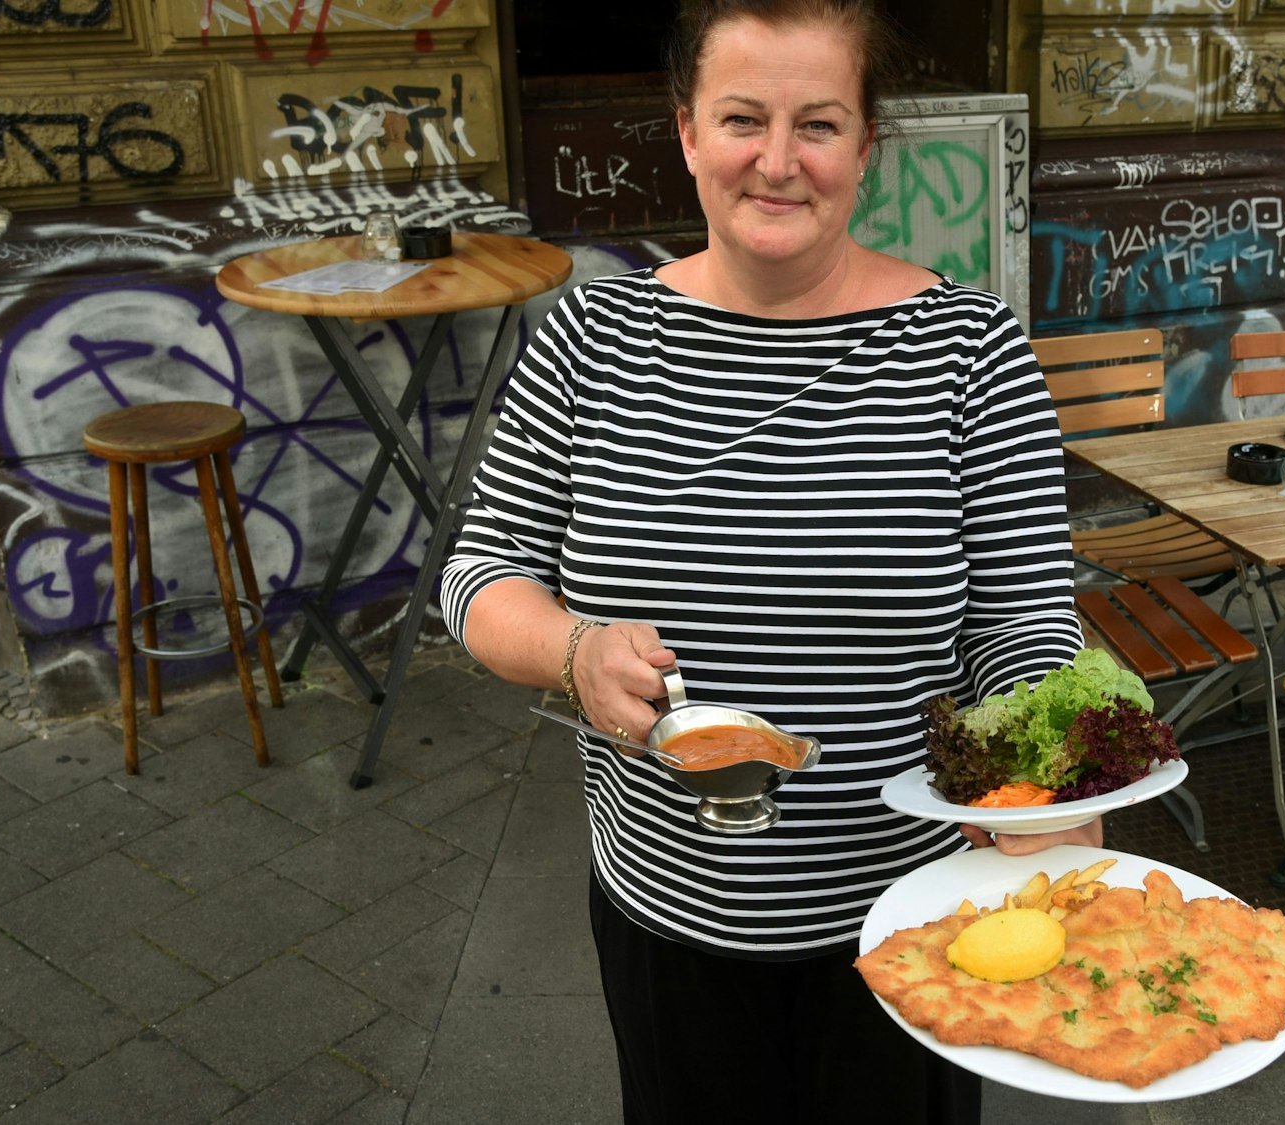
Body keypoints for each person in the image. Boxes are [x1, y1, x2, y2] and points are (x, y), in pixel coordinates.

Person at [439, 1, 1089, 1121]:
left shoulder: (971, 350)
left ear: (866, 146)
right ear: (688, 131)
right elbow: (481, 573)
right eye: (743, 118)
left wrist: (1048, 785)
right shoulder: (587, 340)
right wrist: (572, 650)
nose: (778, 162)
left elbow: (1022, 620)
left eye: (818, 124)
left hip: (914, 919)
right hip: (665, 921)